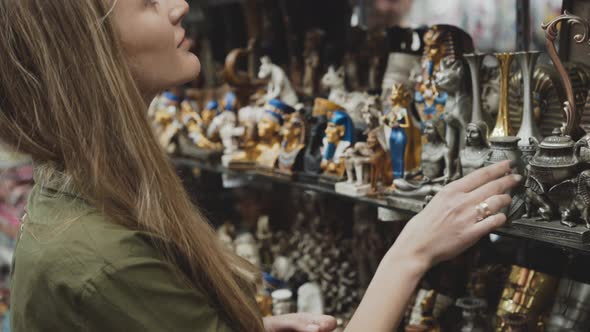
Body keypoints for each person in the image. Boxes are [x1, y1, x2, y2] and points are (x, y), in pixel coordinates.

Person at [0, 1, 521, 331]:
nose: (179, 6)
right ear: (90, 50)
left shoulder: (79, 195)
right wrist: (413, 250)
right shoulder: (101, 257)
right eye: (148, 2)